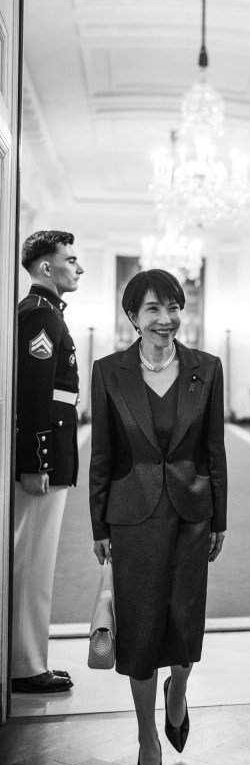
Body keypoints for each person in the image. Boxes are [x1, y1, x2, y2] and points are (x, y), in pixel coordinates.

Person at [90, 269, 227, 765]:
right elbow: (103, 455)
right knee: (141, 631)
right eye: (153, 309)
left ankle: (179, 689)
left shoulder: (206, 368)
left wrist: (220, 516)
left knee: (185, 622)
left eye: (173, 307)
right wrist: (98, 522)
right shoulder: (109, 371)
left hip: (193, 514)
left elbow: (214, 451)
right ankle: (148, 741)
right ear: (132, 316)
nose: (166, 319)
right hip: (132, 517)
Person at [12, 231, 83, 695]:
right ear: (44, 268)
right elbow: (36, 395)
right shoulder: (39, 314)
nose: (78, 268)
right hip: (45, 456)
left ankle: (27, 658)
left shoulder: (46, 312)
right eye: (70, 260)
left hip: (51, 452)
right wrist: (36, 460)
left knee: (35, 558)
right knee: (32, 561)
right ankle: (25, 665)